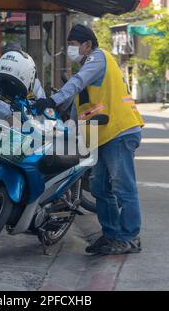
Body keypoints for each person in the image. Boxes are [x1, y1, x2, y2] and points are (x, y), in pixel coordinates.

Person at [35, 24, 145, 255]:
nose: (71, 49)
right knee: (99, 188)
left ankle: (129, 238)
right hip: (103, 136)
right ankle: (111, 235)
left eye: (74, 45)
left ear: (87, 44)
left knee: (122, 188)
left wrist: (52, 100)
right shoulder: (88, 66)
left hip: (120, 131)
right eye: (70, 45)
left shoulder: (98, 58)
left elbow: (76, 82)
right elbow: (78, 108)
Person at [0, 42, 46, 120]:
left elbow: (41, 98)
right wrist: (8, 114)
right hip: (5, 120)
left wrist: (34, 110)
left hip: (30, 118)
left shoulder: (29, 74)